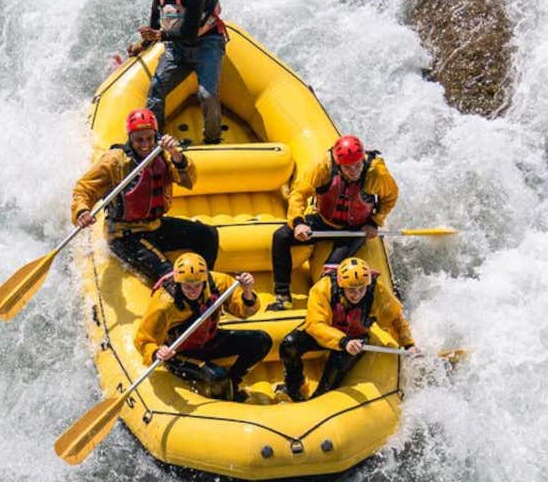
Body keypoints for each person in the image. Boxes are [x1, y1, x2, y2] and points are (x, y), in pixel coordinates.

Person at [71, 108, 219, 284]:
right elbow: (84, 188)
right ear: (130, 138)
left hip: (154, 226)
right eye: (139, 140)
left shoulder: (162, 153)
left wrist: (177, 155)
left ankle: (205, 288)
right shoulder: (115, 161)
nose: (145, 145)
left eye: (149, 138)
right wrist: (82, 211)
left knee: (208, 235)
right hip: (124, 235)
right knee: (169, 275)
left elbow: (188, 180)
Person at [267, 134, 399, 310]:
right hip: (323, 220)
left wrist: (375, 221)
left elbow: (390, 197)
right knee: (281, 236)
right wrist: (298, 222)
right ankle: (282, 295)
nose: (354, 171)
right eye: (348, 167)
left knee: (330, 269)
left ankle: (328, 305)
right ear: (339, 164)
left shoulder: (375, 172)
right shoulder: (325, 167)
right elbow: (299, 193)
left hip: (356, 228)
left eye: (358, 165)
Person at [277, 257, 419, 402]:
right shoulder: (323, 288)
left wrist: (408, 345)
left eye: (361, 289)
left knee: (331, 377)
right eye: (351, 290)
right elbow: (315, 324)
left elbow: (395, 319)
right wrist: (343, 341)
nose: (356, 295)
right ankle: (295, 384)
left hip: (355, 339)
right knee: (289, 345)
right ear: (341, 284)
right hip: (329, 334)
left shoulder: (376, 291)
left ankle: (319, 398)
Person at [134, 253, 272, 402]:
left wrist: (247, 292)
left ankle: (234, 380)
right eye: (187, 286)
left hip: (209, 340)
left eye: (197, 285)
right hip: (178, 352)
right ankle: (222, 393)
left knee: (262, 341)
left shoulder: (217, 283)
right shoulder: (165, 303)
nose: (193, 291)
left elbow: (243, 311)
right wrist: (157, 352)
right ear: (178, 282)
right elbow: (143, 340)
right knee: (218, 378)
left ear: (204, 279)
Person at [129, 0, 228, 145]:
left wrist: (161, 35)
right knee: (156, 88)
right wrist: (146, 41)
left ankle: (212, 139)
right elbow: (156, 15)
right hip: (177, 48)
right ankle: (155, 140)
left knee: (206, 95)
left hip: (206, 43)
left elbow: (190, 33)